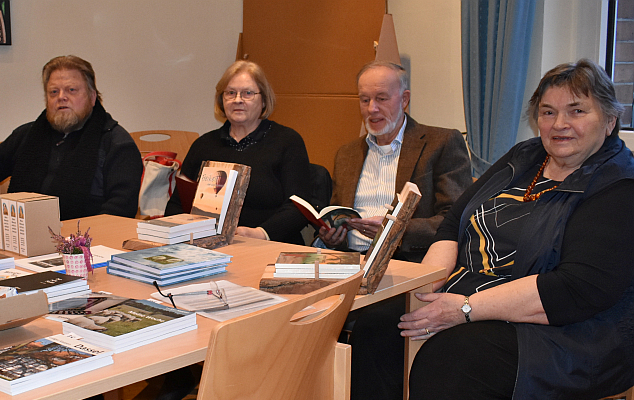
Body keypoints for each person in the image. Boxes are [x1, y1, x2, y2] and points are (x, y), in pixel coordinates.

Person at [361, 59, 634, 399]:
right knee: (374, 324)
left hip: (566, 332)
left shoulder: (619, 185)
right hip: (467, 298)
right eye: (548, 112)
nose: (560, 124)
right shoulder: (525, 156)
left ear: (609, 121)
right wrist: (424, 292)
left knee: (453, 358)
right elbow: (452, 225)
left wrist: (464, 309)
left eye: (577, 111)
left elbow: (575, 291)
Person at [317, 60, 472, 262]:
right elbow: (339, 214)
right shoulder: (347, 154)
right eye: (364, 100)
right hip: (348, 262)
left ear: (404, 99)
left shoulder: (441, 143)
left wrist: (396, 230)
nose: (372, 109)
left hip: (404, 262)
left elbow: (455, 218)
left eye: (381, 99)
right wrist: (333, 237)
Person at [164, 60, 312, 245]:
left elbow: (299, 207)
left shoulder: (287, 142)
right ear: (221, 99)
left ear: (264, 99)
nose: (238, 99)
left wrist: (260, 233)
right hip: (207, 248)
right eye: (230, 93)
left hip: (270, 245)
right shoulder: (203, 145)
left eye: (248, 93)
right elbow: (177, 204)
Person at [0, 55, 142, 221]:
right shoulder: (27, 135)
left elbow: (120, 210)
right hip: (22, 238)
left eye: (71, 90)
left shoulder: (117, 144)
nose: (61, 97)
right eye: (54, 92)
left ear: (92, 97)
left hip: (87, 242)